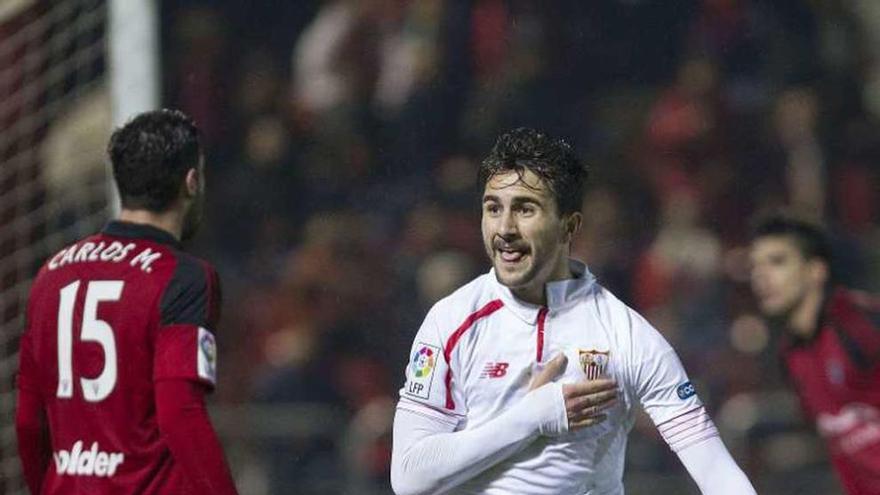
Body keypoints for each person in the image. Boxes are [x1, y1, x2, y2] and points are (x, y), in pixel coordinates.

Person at [390, 128, 756, 494]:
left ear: (570, 225)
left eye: (525, 209)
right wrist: (532, 416)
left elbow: (716, 473)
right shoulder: (451, 321)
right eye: (493, 208)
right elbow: (409, 477)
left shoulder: (626, 335)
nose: (504, 228)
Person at [15, 109, 239, 495]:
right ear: (191, 182)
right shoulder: (184, 277)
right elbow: (180, 413)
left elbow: (29, 421)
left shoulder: (51, 275)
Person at [750, 215, 880, 494]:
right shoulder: (791, 355)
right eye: (755, 266)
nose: (761, 276)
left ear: (815, 271)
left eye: (777, 261)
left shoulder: (860, 323)